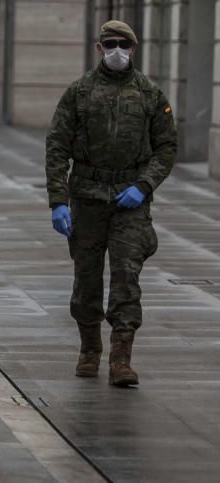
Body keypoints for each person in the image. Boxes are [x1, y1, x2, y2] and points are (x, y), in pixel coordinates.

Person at [46, 20, 176, 387]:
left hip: (129, 203)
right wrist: (58, 201)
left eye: (123, 44)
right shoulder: (80, 93)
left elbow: (166, 148)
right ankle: (89, 350)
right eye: (109, 43)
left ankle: (122, 358)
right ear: (99, 48)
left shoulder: (150, 96)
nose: (116, 49)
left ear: (134, 49)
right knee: (86, 279)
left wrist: (145, 185)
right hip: (87, 200)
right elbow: (57, 146)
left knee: (126, 278)